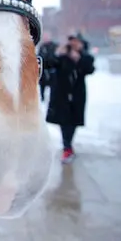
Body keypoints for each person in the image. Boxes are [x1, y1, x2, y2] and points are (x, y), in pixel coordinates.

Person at [44, 34, 95, 163]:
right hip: (61, 93)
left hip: (77, 94)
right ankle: (67, 147)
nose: (73, 44)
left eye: (76, 42)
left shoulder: (85, 56)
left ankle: (68, 145)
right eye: (71, 41)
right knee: (64, 121)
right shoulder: (62, 55)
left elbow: (89, 69)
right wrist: (57, 54)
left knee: (73, 121)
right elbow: (48, 64)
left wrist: (79, 58)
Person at [37, 34, 58, 102]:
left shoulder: (54, 46)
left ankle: (52, 99)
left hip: (51, 71)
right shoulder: (42, 47)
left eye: (47, 37)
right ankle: (42, 99)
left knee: (53, 88)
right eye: (44, 37)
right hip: (44, 71)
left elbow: (54, 58)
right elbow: (40, 57)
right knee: (42, 87)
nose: (45, 39)